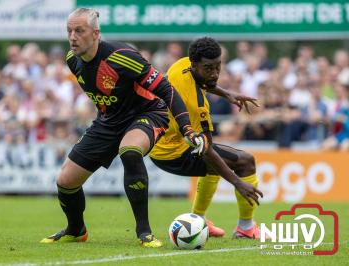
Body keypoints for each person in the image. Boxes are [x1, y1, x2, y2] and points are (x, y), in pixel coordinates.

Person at [40, 8, 207, 247]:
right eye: (69, 31)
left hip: (148, 113)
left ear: (96, 33)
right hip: (109, 122)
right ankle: (76, 230)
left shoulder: (122, 56)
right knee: (66, 181)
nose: (72, 37)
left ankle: (144, 232)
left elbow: (166, 89)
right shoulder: (71, 60)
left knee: (129, 150)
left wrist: (187, 129)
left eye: (79, 31)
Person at [150, 37, 264, 239]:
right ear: (195, 65)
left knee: (214, 166)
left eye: (218, 66)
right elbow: (207, 150)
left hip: (159, 143)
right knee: (246, 161)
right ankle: (245, 228)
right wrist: (237, 182)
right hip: (171, 152)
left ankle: (198, 221)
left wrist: (226, 93)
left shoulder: (183, 64)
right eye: (209, 68)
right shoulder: (197, 106)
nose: (215, 73)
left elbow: (201, 81)